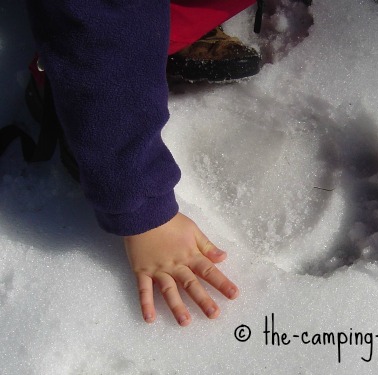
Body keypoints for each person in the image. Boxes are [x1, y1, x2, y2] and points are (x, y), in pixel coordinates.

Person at [25, 0, 258, 326]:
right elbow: (98, 23)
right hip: (104, 31)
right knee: (96, 40)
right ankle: (68, 85)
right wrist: (141, 206)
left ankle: (163, 32)